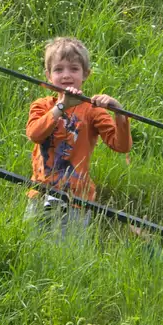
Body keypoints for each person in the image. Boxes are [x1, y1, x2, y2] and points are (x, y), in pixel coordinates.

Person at [25, 36, 132, 231]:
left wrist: (119, 113)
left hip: (76, 199)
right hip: (40, 192)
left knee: (67, 254)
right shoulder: (43, 105)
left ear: (85, 74)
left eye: (74, 69)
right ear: (48, 75)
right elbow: (34, 134)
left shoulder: (93, 110)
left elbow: (121, 145)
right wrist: (61, 107)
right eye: (59, 69)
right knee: (32, 247)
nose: (66, 75)